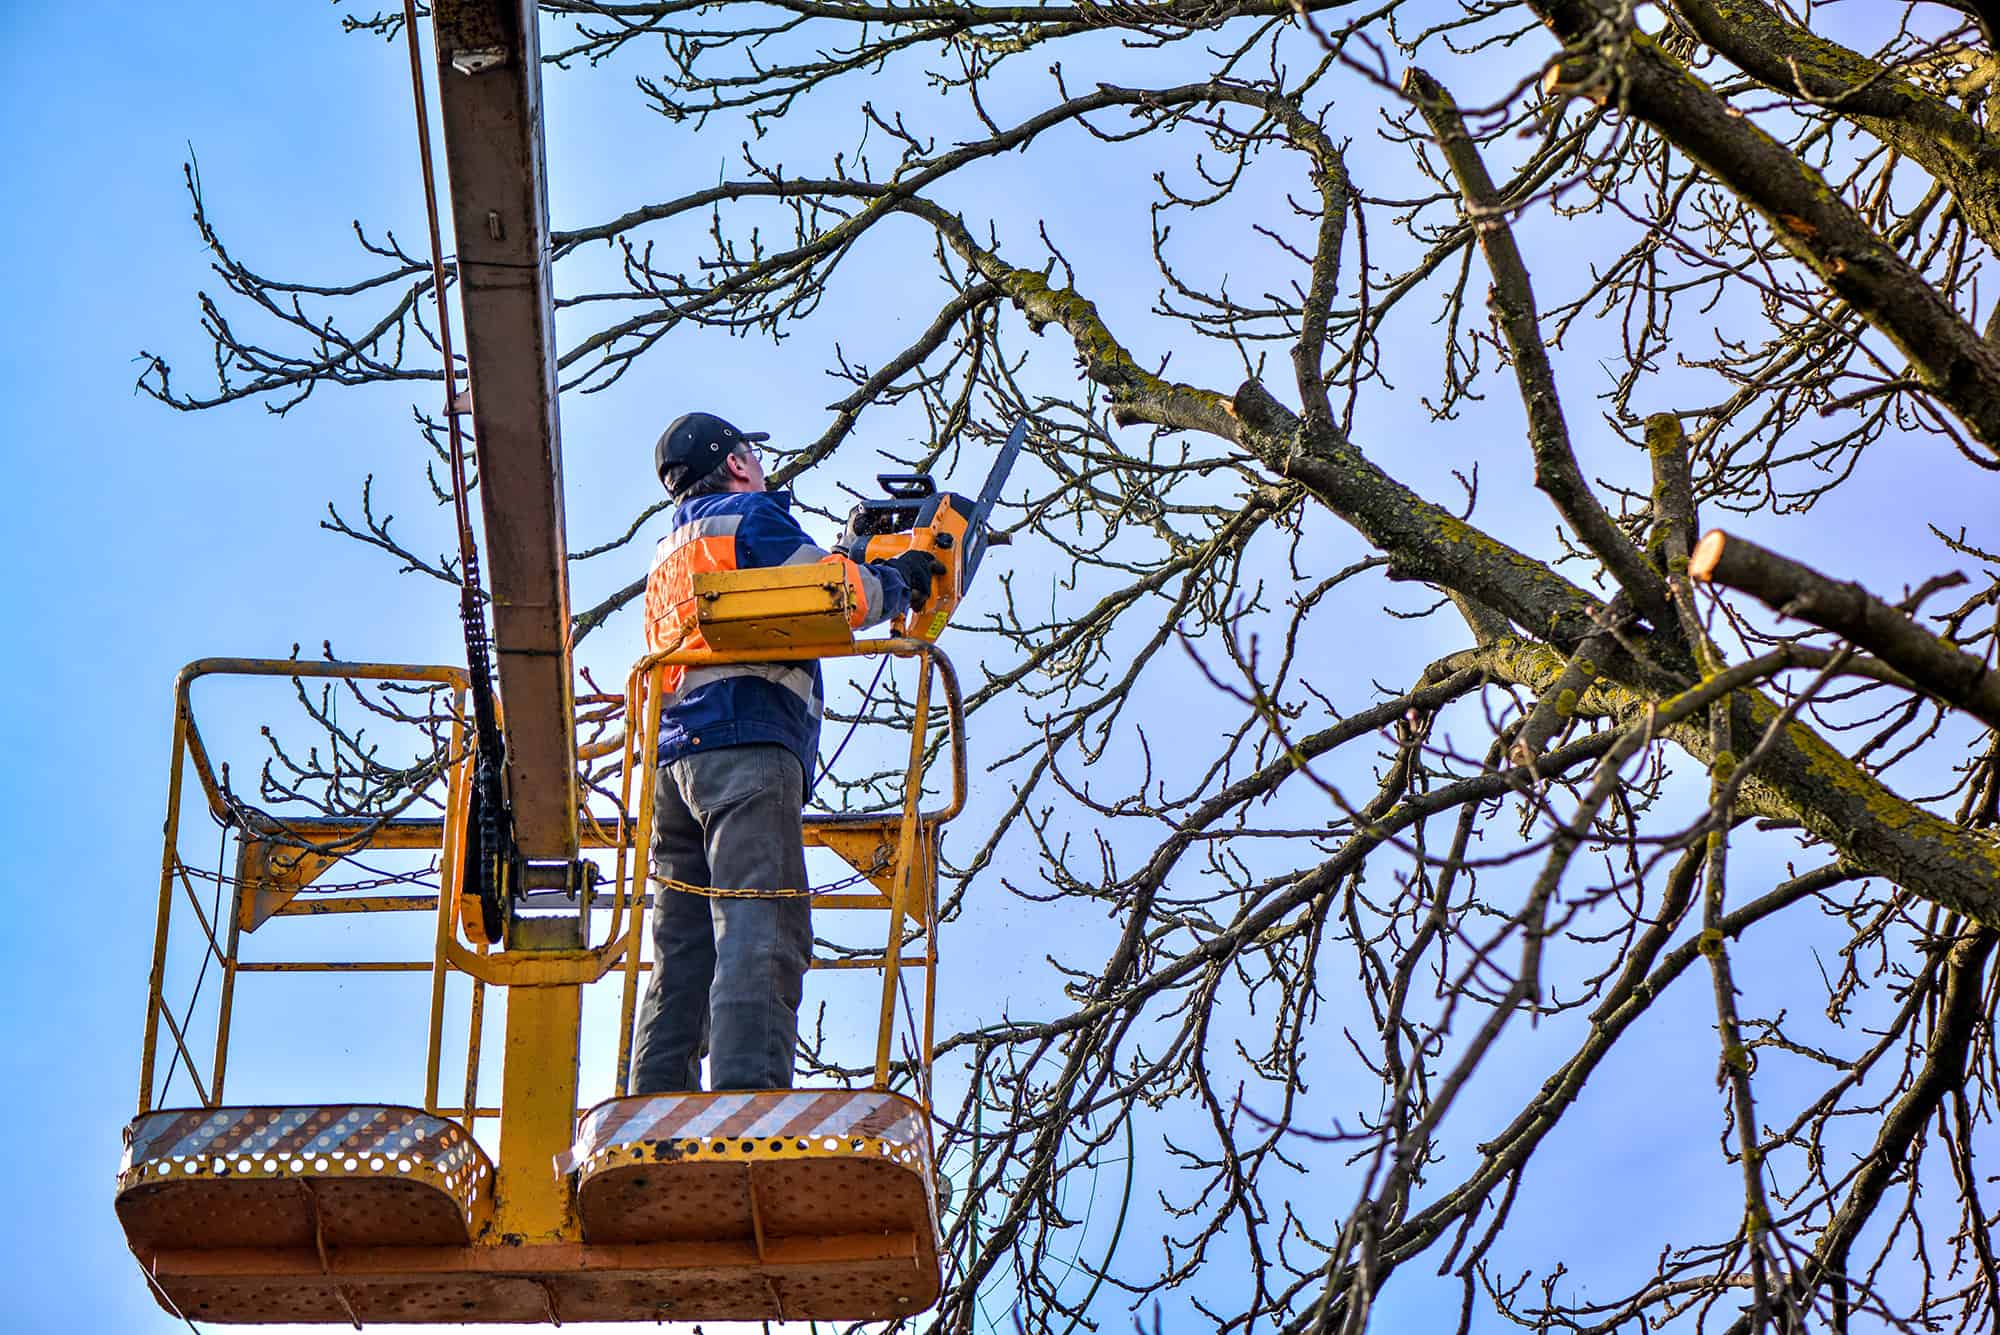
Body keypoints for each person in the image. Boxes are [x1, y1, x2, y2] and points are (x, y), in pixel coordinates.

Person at [628, 411, 942, 1094]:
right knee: (760, 921)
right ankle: (747, 1103)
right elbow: (838, 595)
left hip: (676, 762)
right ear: (738, 461)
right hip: (745, 746)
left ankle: (652, 1105)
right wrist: (902, 577)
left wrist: (849, 555)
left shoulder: (672, 548)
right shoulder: (749, 518)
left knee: (682, 950)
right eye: (754, 454)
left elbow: (788, 597)